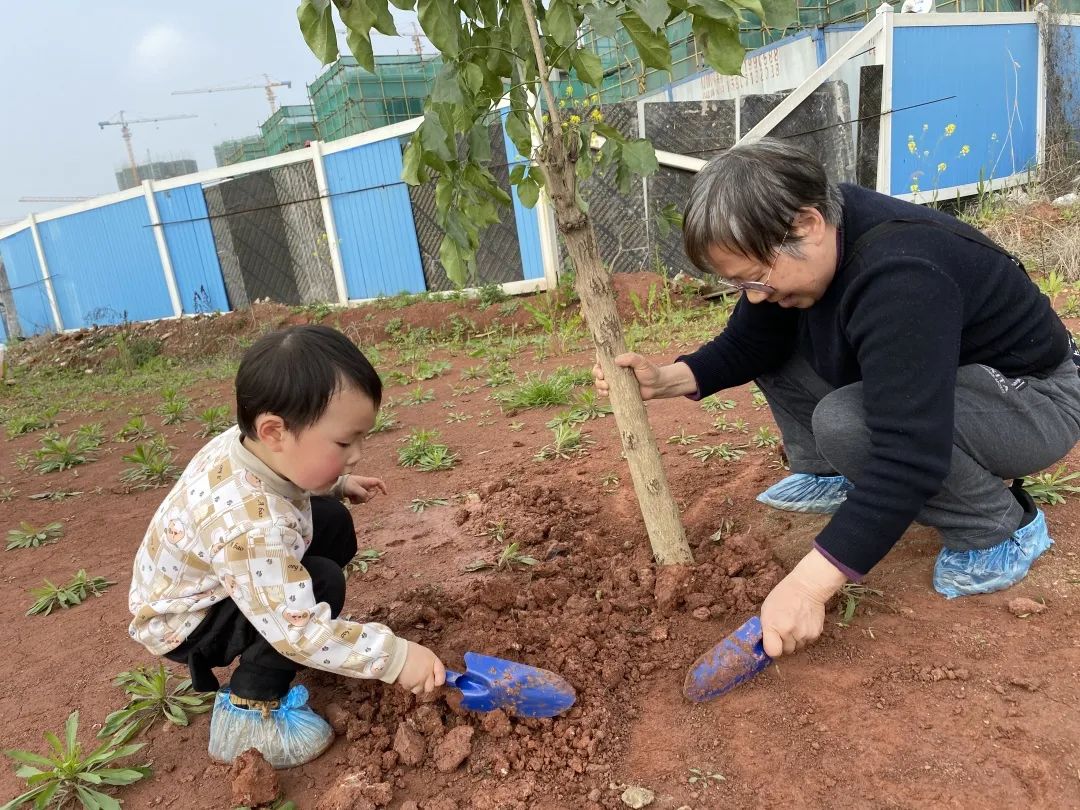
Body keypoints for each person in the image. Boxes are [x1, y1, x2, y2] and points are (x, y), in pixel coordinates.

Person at [593, 138, 1080, 660]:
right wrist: (666, 379)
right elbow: (751, 341)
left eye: (755, 278)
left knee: (851, 423)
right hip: (952, 378)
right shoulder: (813, 237)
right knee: (782, 343)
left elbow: (908, 452)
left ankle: (995, 526)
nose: (754, 294)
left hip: (1035, 396)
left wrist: (807, 588)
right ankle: (834, 473)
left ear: (806, 225)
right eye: (740, 285)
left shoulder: (902, 274)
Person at [127, 325, 445, 769]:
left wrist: (336, 481)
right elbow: (300, 629)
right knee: (320, 584)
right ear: (274, 430)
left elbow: (290, 477)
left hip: (219, 576)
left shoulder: (247, 443)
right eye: (343, 442)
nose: (357, 453)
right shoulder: (250, 528)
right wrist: (395, 657)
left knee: (330, 520)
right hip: (187, 622)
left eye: (360, 438)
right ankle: (249, 710)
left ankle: (272, 627)